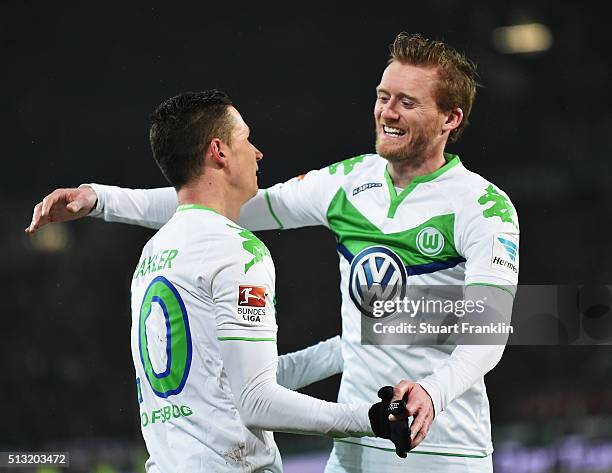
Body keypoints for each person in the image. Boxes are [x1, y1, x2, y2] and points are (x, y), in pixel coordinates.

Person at [27, 33, 519, 473]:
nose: (386, 112)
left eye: (406, 102)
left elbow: (486, 336)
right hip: (354, 451)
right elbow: (217, 200)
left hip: (445, 450)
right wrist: (102, 199)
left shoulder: (482, 206)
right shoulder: (349, 182)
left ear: (450, 118)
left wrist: (432, 393)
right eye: (382, 97)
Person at [32, 89, 409, 472]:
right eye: (246, 139)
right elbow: (257, 401)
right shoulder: (238, 250)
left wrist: (344, 348)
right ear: (219, 151)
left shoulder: (154, 254)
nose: (258, 153)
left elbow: (226, 382)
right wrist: (371, 419)